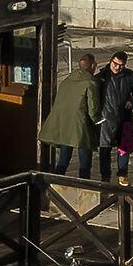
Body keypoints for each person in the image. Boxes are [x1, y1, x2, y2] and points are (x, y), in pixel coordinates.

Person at [41, 50, 103, 180]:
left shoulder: (67, 81)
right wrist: (99, 120)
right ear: (93, 65)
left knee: (63, 160)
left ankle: (56, 184)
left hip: (65, 126)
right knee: (85, 164)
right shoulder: (91, 83)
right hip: (82, 127)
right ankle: (83, 187)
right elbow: (93, 108)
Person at [97, 51, 133, 185]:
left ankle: (122, 174)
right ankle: (105, 176)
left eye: (121, 65)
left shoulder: (129, 75)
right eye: (115, 64)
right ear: (111, 61)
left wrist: (132, 100)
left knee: (124, 148)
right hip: (106, 118)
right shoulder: (102, 76)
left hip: (124, 117)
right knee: (105, 149)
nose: (117, 67)